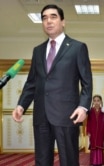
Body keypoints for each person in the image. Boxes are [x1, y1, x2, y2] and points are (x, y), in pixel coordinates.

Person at [11, 4, 93, 166]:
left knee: (69, 160)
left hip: (67, 115)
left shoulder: (77, 48)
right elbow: (32, 82)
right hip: (41, 115)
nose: (48, 21)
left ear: (63, 22)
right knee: (42, 161)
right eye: (44, 18)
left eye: (53, 17)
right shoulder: (38, 51)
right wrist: (21, 105)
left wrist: (83, 107)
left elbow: (87, 82)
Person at [87, 95, 104, 166]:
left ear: (101, 102)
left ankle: (100, 161)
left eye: (98, 100)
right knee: (93, 145)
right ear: (93, 102)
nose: (96, 102)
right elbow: (88, 122)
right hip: (92, 131)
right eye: (95, 100)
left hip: (101, 131)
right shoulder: (90, 111)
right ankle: (93, 161)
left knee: (100, 145)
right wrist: (88, 131)